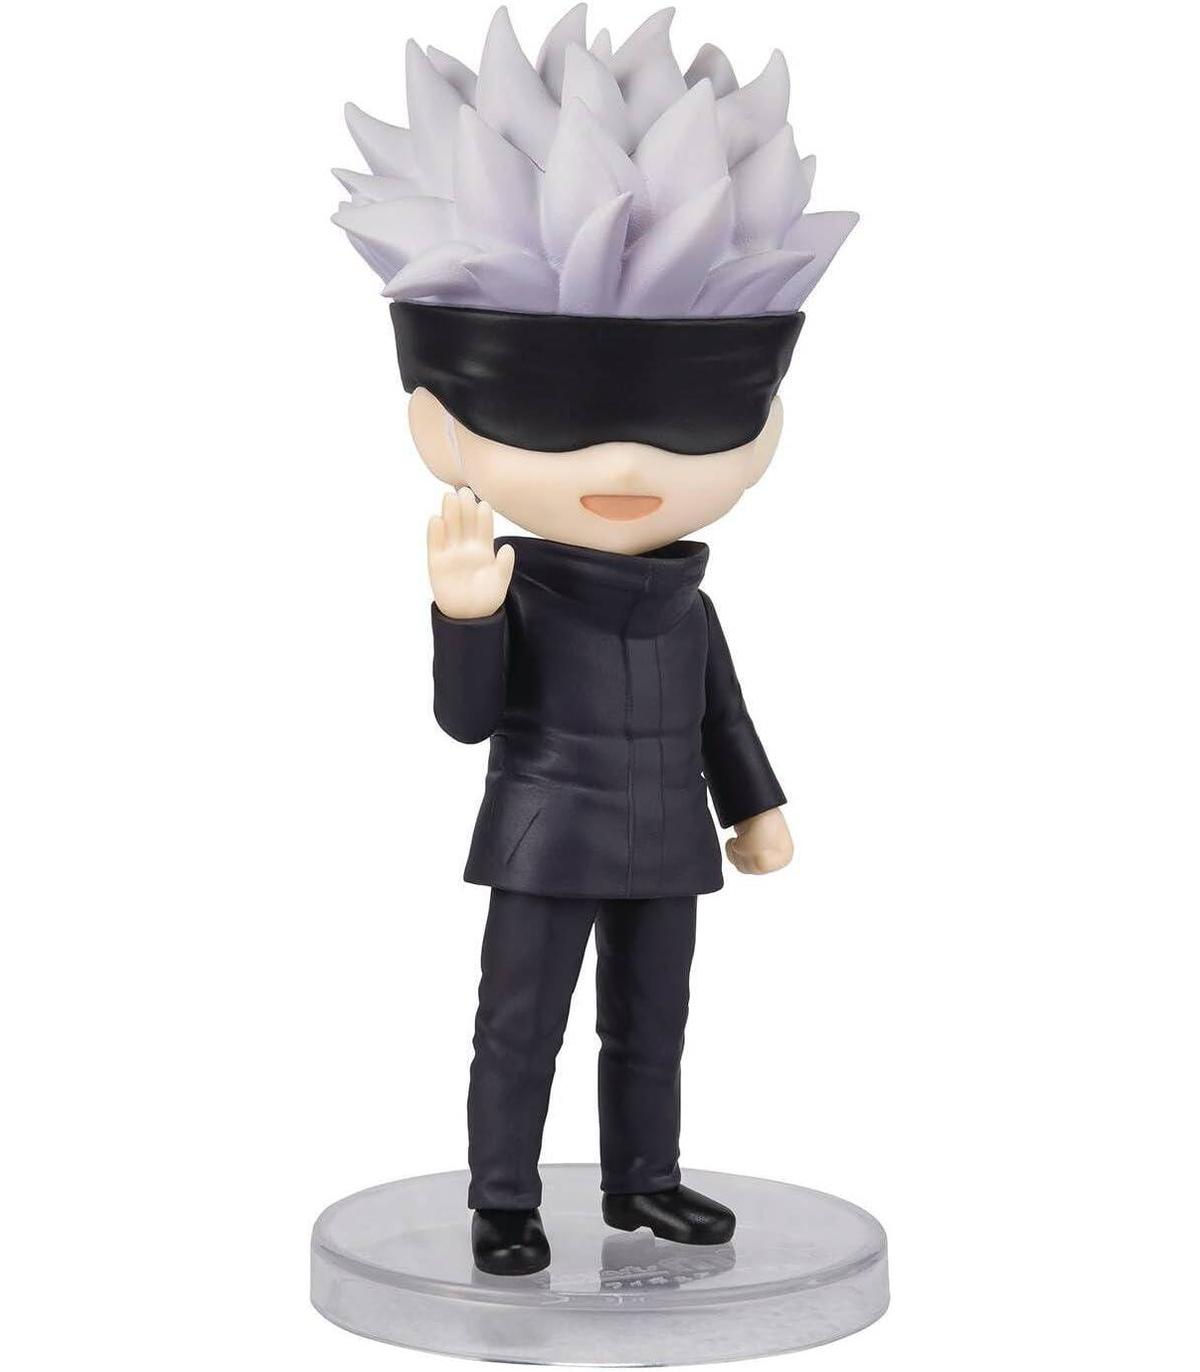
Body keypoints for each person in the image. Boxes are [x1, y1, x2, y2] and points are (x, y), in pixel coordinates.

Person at [333, 5, 857, 1275]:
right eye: (558, 422)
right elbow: (468, 720)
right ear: (440, 430)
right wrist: (466, 616)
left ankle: (646, 1181)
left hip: (668, 838)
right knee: (520, 1024)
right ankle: (503, 1197)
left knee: (652, 1021)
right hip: (547, 833)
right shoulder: (514, 585)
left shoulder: (689, 602)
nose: (625, 466)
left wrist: (757, 806)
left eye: (690, 425)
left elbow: (724, 717)